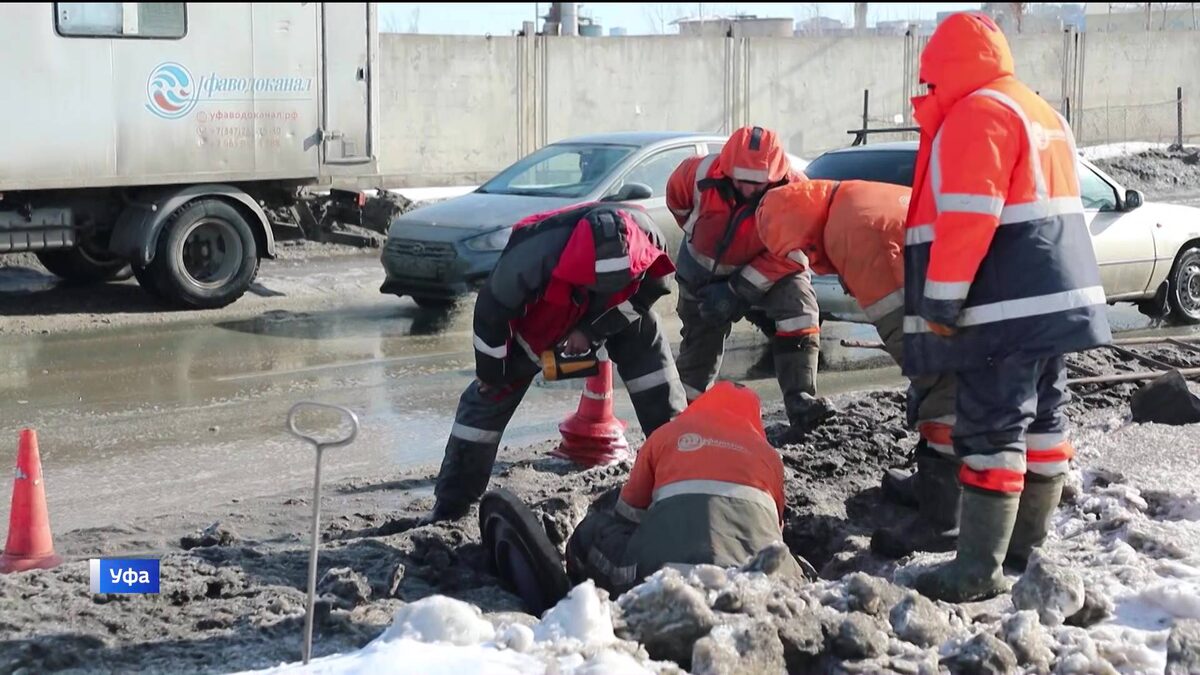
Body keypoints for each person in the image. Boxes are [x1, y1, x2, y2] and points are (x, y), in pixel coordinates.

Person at [902, 12, 1111, 602]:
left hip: (1003, 305)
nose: (927, 89)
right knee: (1043, 421)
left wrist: (942, 302)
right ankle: (1023, 551)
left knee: (992, 427)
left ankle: (976, 571)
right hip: (1052, 301)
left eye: (930, 77)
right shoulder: (1038, 110)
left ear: (946, 67)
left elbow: (969, 216)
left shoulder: (978, 113)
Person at [429, 202, 688, 522]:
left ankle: (683, 474)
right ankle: (452, 505)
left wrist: (591, 331)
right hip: (549, 307)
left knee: (655, 375)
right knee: (490, 393)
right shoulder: (529, 259)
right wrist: (491, 372)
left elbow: (654, 287)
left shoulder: (647, 239)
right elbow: (490, 315)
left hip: (620, 304)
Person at [756, 178, 959, 559]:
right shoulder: (851, 201)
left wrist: (922, 382)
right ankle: (932, 487)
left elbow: (906, 330)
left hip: (958, 314)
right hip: (967, 295)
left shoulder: (854, 234)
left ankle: (944, 520)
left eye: (803, 249)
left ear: (802, 233)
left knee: (943, 398)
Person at [563, 381, 805, 595]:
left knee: (590, 533)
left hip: (660, 576)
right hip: (761, 578)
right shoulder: (770, 457)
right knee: (799, 568)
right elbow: (775, 530)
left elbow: (627, 514)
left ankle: (569, 599)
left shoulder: (665, 435)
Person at [665, 126, 824, 433]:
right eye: (741, 180)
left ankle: (801, 402)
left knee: (800, 308)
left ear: (775, 176)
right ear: (726, 169)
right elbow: (678, 204)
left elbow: (793, 254)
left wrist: (737, 290)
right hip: (702, 271)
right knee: (700, 345)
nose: (748, 189)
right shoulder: (695, 175)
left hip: (770, 267)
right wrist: (701, 237)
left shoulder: (797, 194)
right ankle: (685, 421)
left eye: (757, 183)